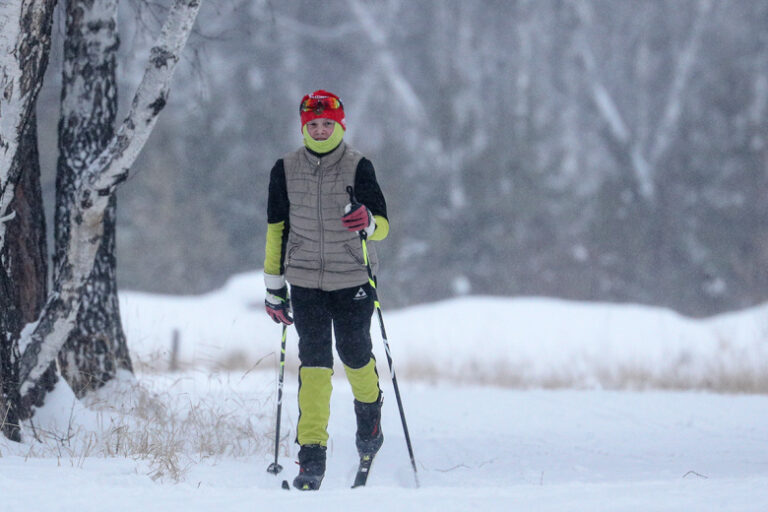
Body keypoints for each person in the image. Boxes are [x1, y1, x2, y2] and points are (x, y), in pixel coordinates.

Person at [263, 90, 389, 491]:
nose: (319, 130)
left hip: (351, 279)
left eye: (327, 124)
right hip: (304, 281)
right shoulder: (284, 169)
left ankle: (369, 420)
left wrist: (367, 222)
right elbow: (276, 231)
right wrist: (273, 287)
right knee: (314, 366)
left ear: (340, 125)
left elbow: (383, 225)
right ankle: (311, 454)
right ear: (304, 127)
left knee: (355, 357)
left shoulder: (358, 166)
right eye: (312, 125)